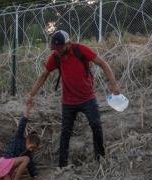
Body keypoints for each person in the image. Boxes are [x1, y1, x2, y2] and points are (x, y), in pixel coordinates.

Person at [26, 30, 121, 169]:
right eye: (54, 48)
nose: (57, 51)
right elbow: (44, 75)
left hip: (87, 98)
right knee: (65, 133)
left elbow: (102, 63)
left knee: (96, 125)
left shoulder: (80, 50)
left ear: (68, 44)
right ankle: (62, 166)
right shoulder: (56, 57)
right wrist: (31, 94)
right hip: (68, 102)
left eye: (59, 48)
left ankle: (100, 159)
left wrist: (113, 84)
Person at [0, 103, 41, 180]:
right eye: (30, 146)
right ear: (27, 139)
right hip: (4, 161)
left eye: (33, 149)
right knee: (25, 159)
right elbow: (22, 123)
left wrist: (35, 176)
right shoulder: (19, 138)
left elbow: (31, 167)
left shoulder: (28, 154)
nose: (30, 149)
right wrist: (28, 109)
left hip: (6, 170)